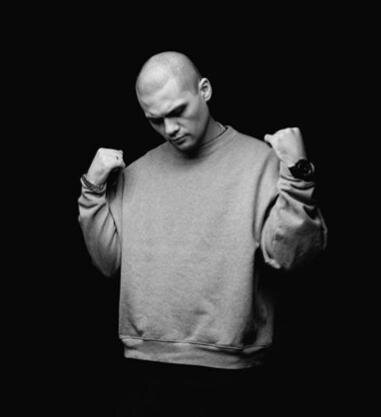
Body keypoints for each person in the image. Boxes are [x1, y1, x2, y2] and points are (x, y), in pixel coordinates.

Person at [77, 51, 328, 416]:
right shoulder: (136, 173)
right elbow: (107, 263)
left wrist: (298, 176)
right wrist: (91, 191)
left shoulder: (261, 162)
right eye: (156, 120)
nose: (170, 129)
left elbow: (291, 258)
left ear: (205, 90)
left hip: (235, 370)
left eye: (178, 111)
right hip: (145, 367)